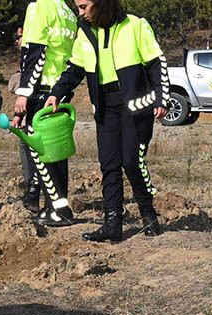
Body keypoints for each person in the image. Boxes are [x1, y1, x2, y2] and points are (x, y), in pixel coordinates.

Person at [46, 0, 170, 242]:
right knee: (109, 164)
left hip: (136, 107)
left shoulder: (135, 25)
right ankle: (112, 223)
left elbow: (157, 63)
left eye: (83, 6)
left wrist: (161, 97)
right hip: (105, 106)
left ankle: (148, 213)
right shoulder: (85, 31)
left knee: (131, 162)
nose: (80, 13)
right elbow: (74, 69)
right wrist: (56, 93)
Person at [13, 0, 77, 225]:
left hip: (42, 90)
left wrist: (24, 92)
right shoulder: (67, 12)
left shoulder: (39, 7)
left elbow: (35, 53)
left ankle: (57, 210)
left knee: (40, 152)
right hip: (60, 90)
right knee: (57, 153)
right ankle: (58, 207)